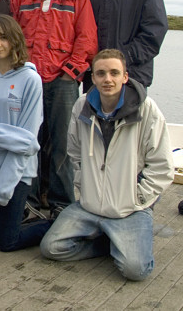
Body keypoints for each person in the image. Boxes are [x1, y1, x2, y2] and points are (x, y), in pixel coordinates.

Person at [41, 49, 173, 281]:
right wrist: (85, 187)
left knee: (136, 270)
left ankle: (124, 242)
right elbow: (74, 153)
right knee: (51, 248)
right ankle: (107, 245)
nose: (107, 79)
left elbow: (161, 166)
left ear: (125, 76)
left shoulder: (146, 109)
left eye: (114, 73)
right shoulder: (82, 105)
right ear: (93, 77)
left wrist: (139, 198)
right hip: (89, 207)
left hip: (129, 209)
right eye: (101, 73)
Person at [11, 0, 97, 219]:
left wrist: (71, 72)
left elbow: (86, 37)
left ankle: (61, 202)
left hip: (62, 80)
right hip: (28, 79)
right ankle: (29, 200)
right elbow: (11, 34)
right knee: (28, 142)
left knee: (62, 144)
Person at [0, 15, 50, 252]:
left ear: (14, 40)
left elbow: (28, 139)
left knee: (7, 242)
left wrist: (4, 186)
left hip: (18, 168)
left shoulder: (31, 79)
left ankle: (51, 224)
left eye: (3, 38)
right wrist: (15, 138)